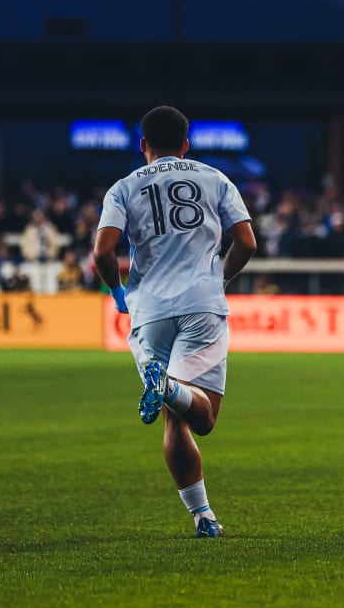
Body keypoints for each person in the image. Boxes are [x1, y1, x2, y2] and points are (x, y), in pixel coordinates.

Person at [93, 106, 257, 538]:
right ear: (186, 144)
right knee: (201, 418)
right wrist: (218, 279)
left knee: (174, 419)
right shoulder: (214, 178)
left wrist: (118, 294)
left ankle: (203, 517)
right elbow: (246, 241)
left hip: (148, 311)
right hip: (202, 305)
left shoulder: (123, 188)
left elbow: (102, 252)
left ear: (143, 145)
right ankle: (165, 386)